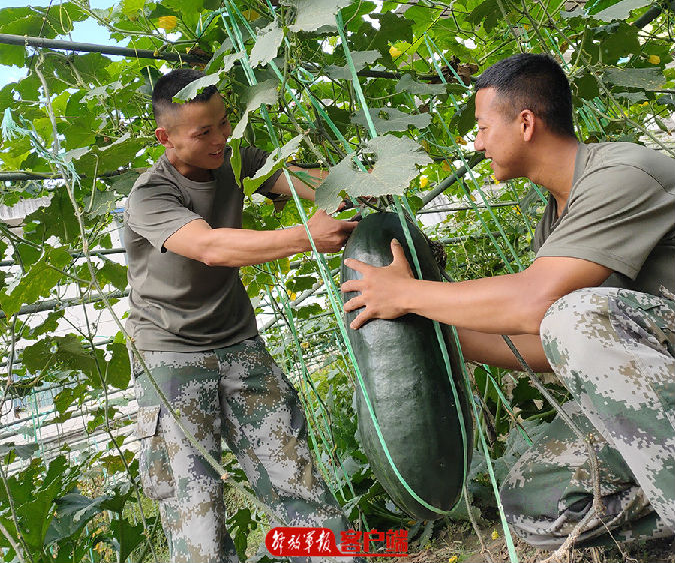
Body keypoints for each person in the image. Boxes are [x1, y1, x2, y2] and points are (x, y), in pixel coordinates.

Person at [341, 53, 675, 549]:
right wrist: (430, 332)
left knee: (571, 314)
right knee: (531, 500)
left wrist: (409, 293)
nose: (477, 144)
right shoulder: (556, 222)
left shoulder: (622, 173)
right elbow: (545, 346)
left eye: (481, 128)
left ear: (525, 123)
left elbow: (539, 305)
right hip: (659, 386)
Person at [125, 68, 358, 563]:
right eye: (203, 132)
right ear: (165, 138)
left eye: (224, 123)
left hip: (239, 344)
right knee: (197, 519)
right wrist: (305, 237)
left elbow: (305, 182)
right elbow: (209, 247)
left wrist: (358, 185)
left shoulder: (237, 159)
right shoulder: (149, 195)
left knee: (297, 481)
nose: (220, 139)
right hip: (169, 358)